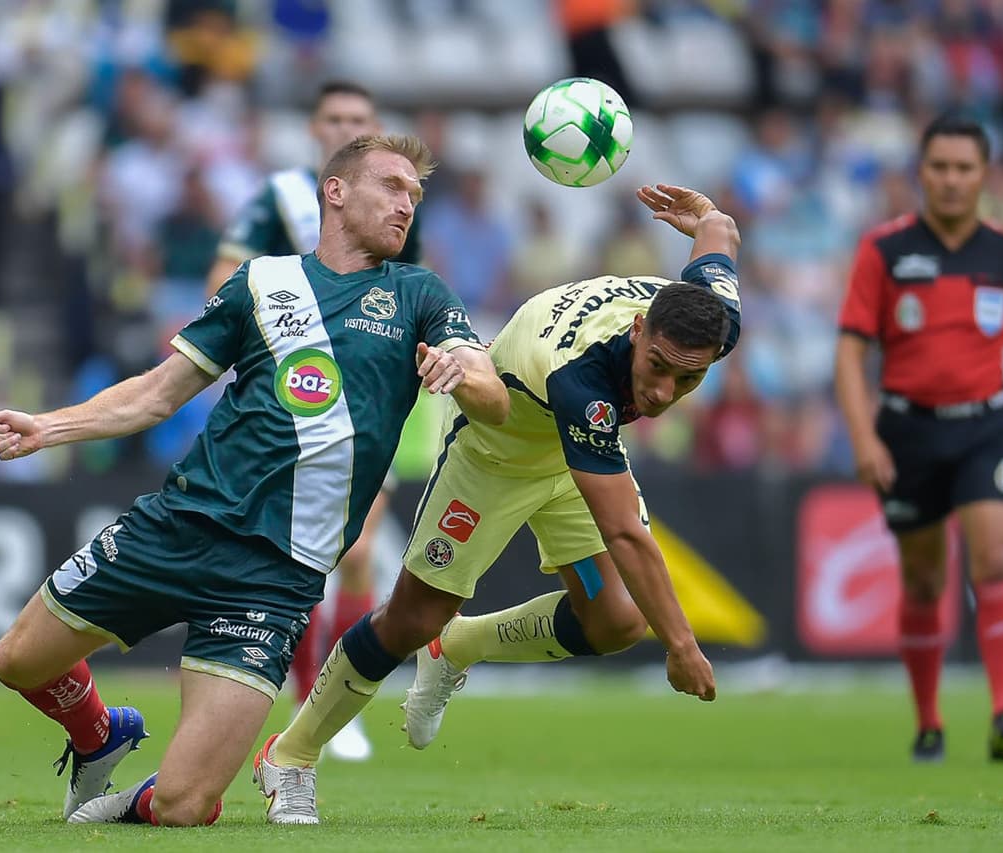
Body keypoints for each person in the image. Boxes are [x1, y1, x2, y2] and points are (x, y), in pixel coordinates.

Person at [0, 135, 508, 827]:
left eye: (414, 194)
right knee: (16, 660)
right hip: (179, 524)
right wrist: (50, 426)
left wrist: (466, 374)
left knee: (186, 805)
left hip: (273, 577)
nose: (407, 204)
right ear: (335, 191)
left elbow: (491, 393)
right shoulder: (262, 282)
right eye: (392, 186)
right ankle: (99, 734)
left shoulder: (418, 293)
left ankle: (132, 799)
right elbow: (158, 394)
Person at [255, 183, 741, 825]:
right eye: (656, 365)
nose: (662, 391)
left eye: (689, 377)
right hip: (495, 453)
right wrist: (683, 645)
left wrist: (706, 216)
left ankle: (461, 646)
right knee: (410, 618)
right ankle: (289, 756)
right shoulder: (583, 378)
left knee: (618, 622)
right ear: (636, 328)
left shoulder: (713, 319)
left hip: (572, 462)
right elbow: (624, 532)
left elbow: (721, 241)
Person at [834, 114, 1003, 764]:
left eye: (965, 168)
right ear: (921, 171)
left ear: (984, 174)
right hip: (907, 429)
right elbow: (850, 353)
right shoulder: (883, 250)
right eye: (940, 167)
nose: (952, 179)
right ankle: (930, 722)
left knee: (994, 558)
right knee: (925, 579)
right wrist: (863, 437)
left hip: (987, 425)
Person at [206, 80, 421, 761]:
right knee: (305, 561)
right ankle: (306, 700)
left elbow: (414, 289)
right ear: (313, 127)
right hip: (293, 400)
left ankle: (330, 705)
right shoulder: (283, 199)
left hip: (371, 396)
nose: (345, 127)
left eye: (359, 117)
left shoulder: (396, 196)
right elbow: (221, 279)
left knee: (356, 555)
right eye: (334, 118)